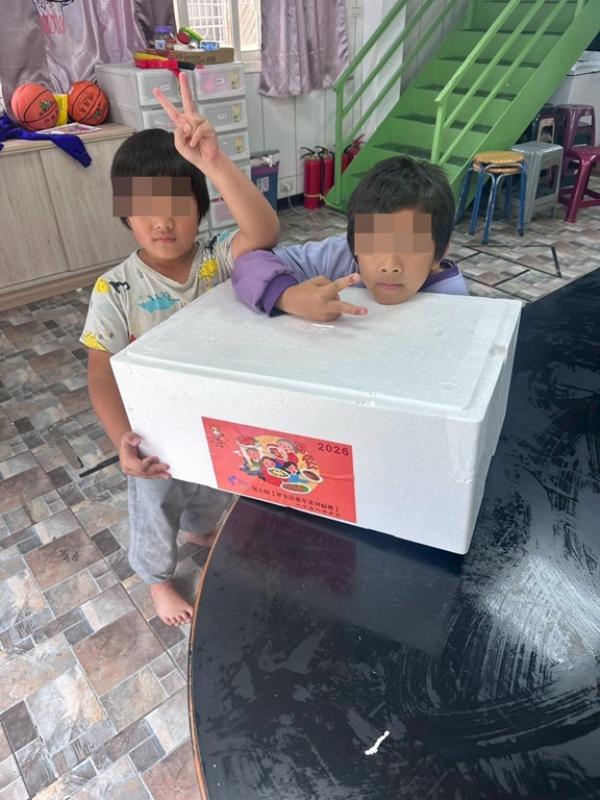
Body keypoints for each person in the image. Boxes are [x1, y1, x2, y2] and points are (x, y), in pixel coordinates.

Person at [80, 72, 279, 627]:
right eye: (146, 207)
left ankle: (200, 530)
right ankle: (157, 580)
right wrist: (122, 439)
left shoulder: (217, 258)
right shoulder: (115, 289)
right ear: (125, 212)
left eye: (178, 204)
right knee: (155, 507)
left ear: (201, 206)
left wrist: (214, 162)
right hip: (155, 434)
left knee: (212, 488)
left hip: (214, 419)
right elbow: (100, 375)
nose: (163, 221)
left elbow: (264, 232)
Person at [232, 156, 468, 322]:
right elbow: (249, 262)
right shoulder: (342, 255)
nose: (389, 266)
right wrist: (289, 297)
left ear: (439, 253)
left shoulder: (456, 304)